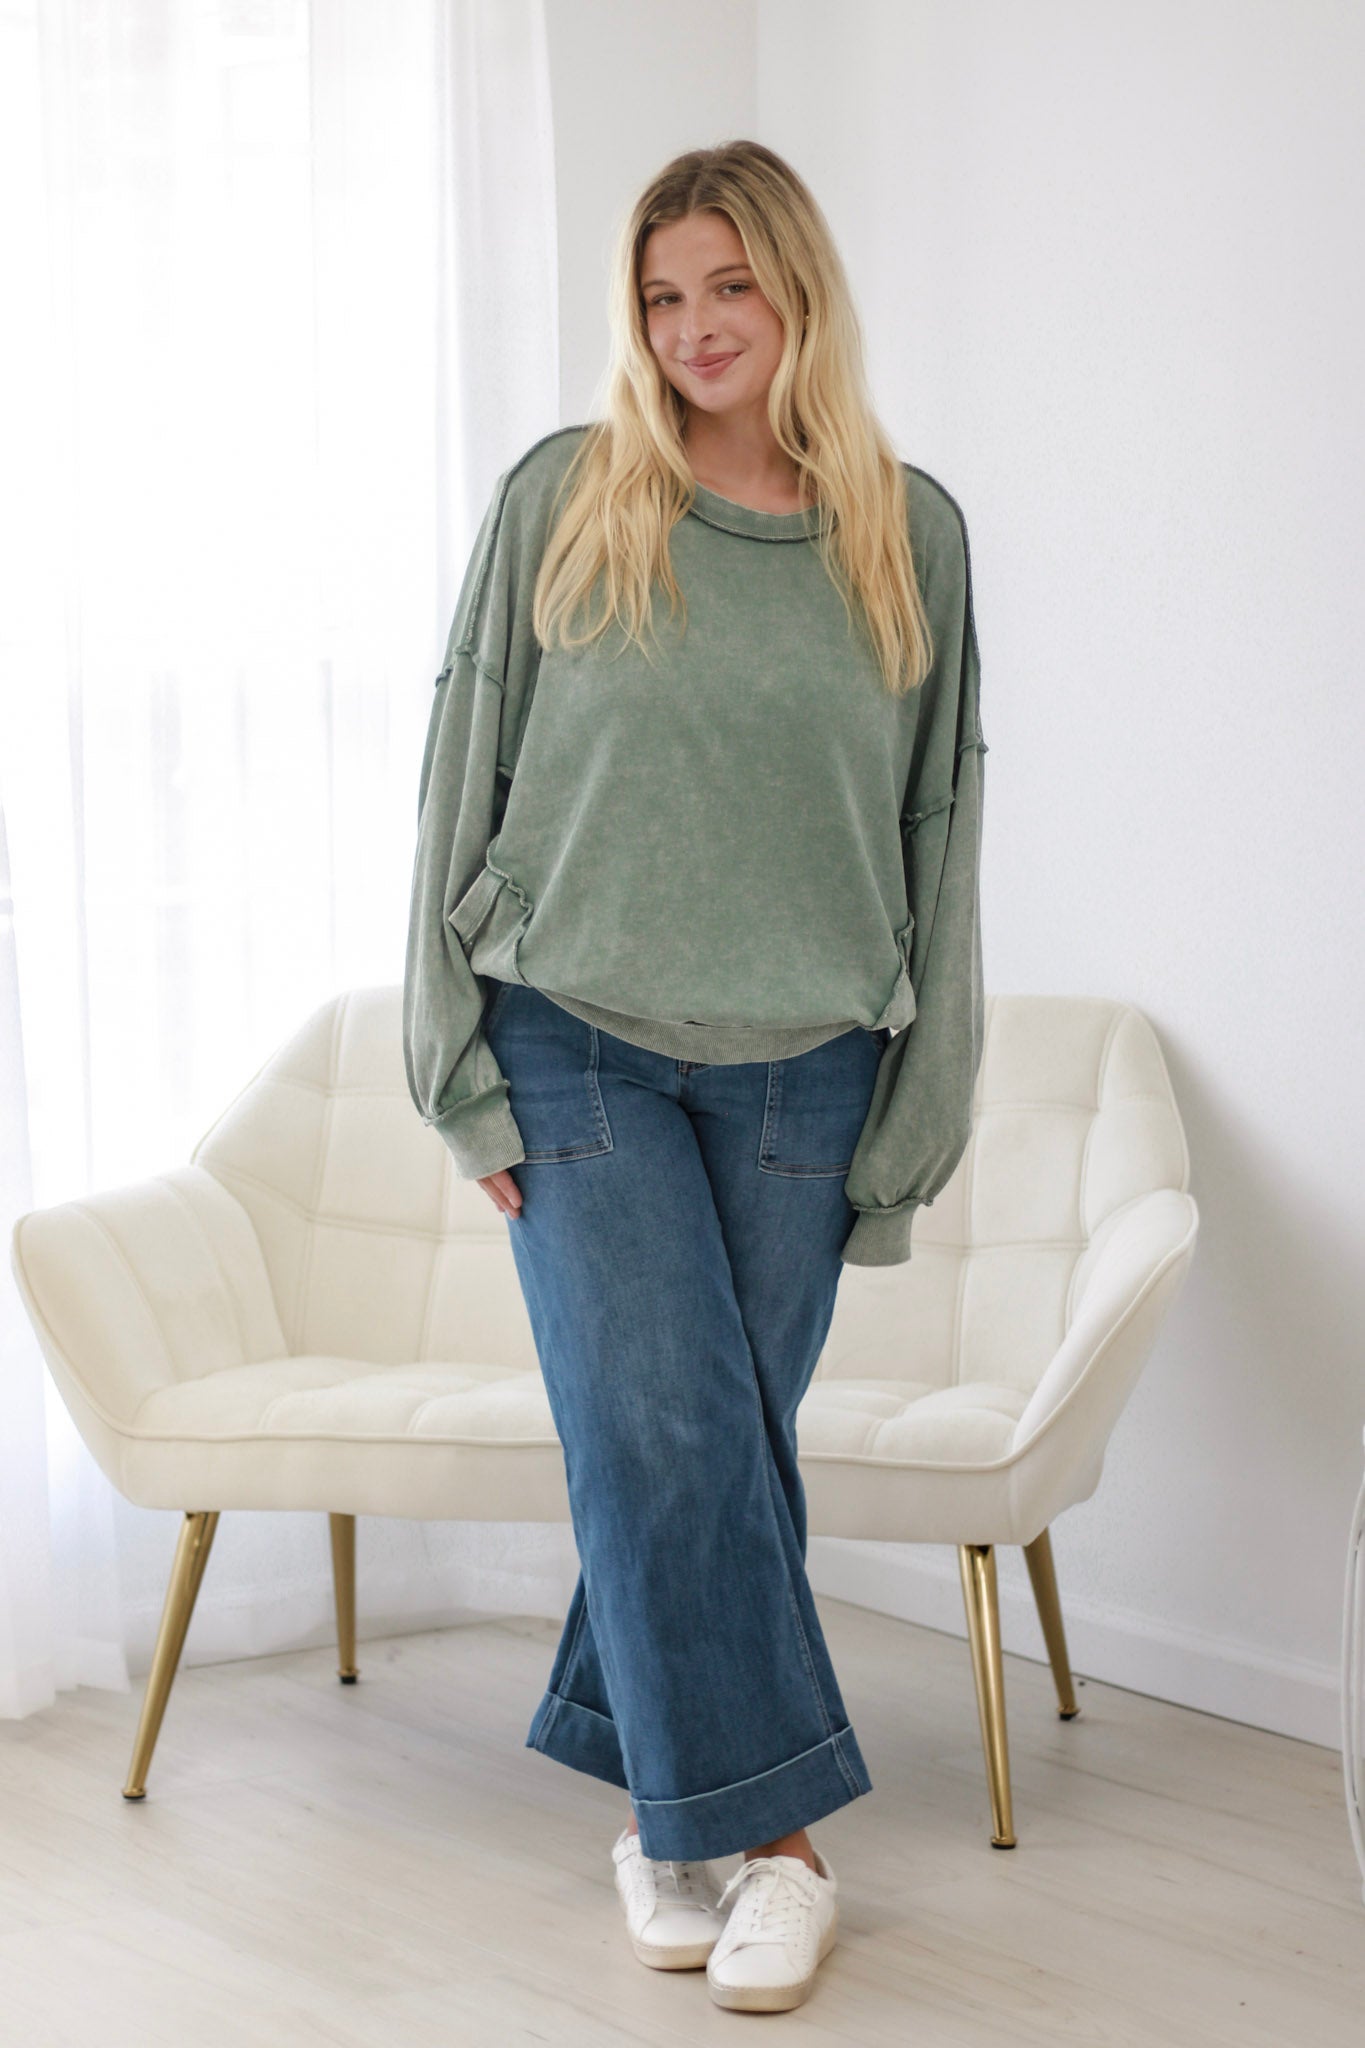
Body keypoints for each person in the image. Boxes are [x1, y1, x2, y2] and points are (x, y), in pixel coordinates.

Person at [403, 138, 987, 2015]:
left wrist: (917, 1115)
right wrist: (448, 1060)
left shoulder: (907, 532)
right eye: (662, 296)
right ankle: (784, 1855)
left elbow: (941, 831)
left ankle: (665, 1819)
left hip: (809, 1071)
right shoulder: (565, 497)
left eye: (729, 285)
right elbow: (462, 763)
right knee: (664, 1434)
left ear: (797, 289)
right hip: (570, 1037)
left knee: (713, 1454)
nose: (695, 327)